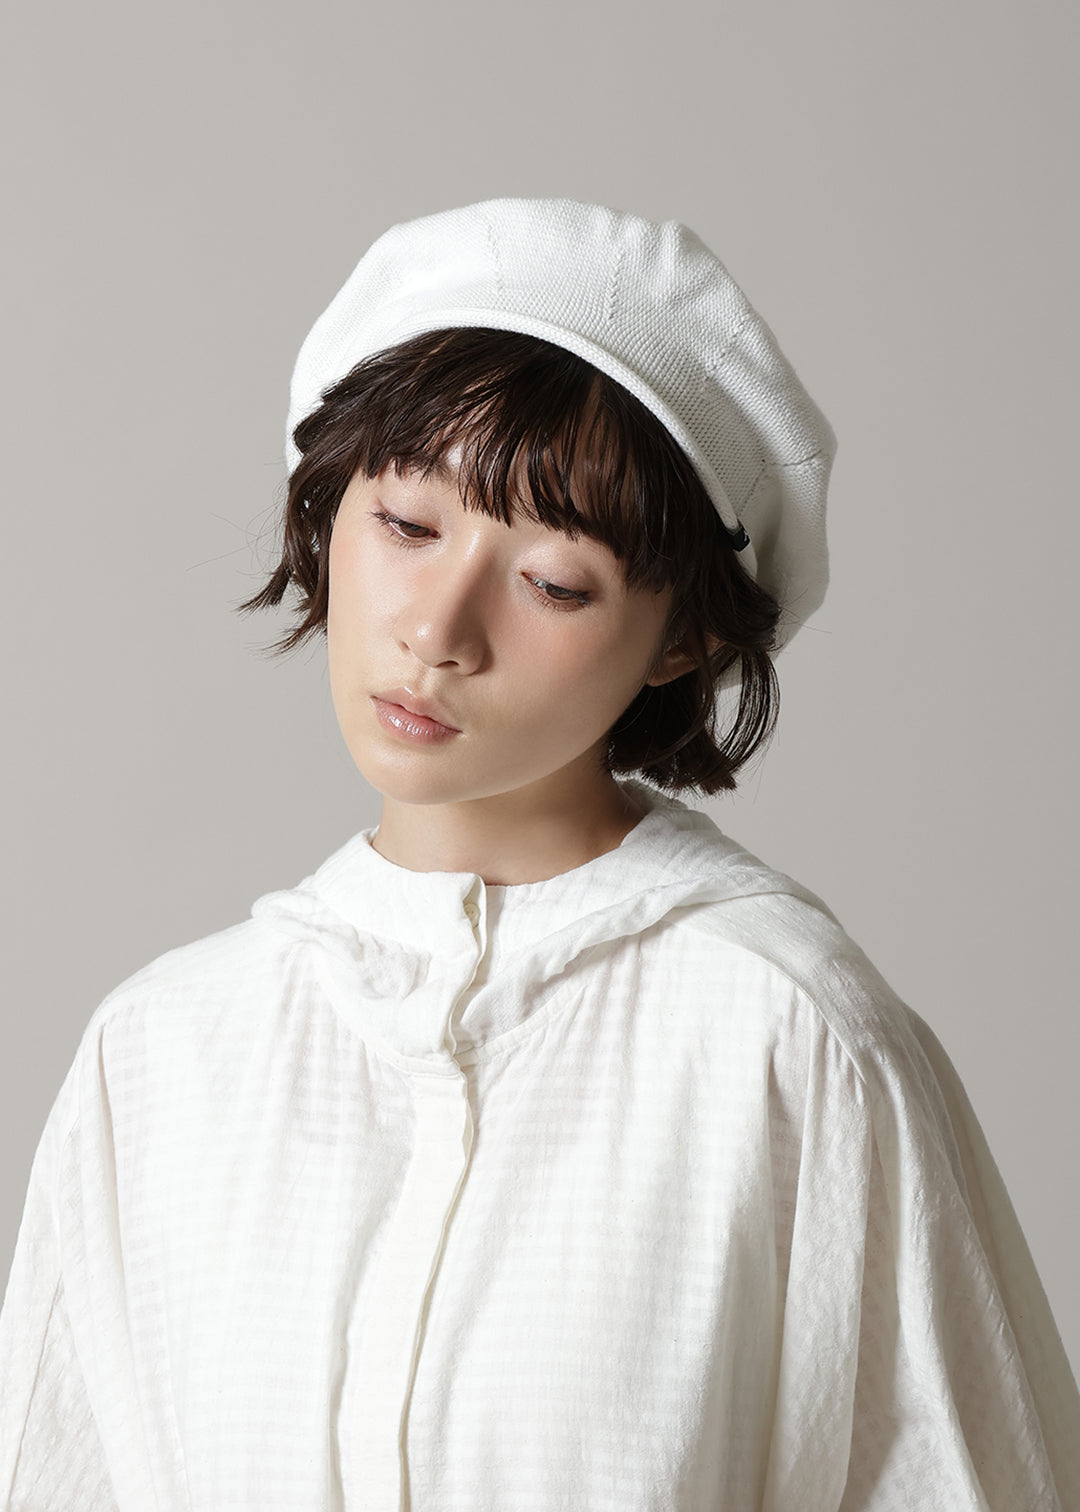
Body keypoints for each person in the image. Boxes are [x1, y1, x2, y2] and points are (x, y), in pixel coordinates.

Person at [1, 197, 1077, 1512]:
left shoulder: (789, 1039)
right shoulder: (160, 1053)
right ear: (329, 507)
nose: (437, 630)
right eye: (407, 525)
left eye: (556, 583)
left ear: (684, 639)